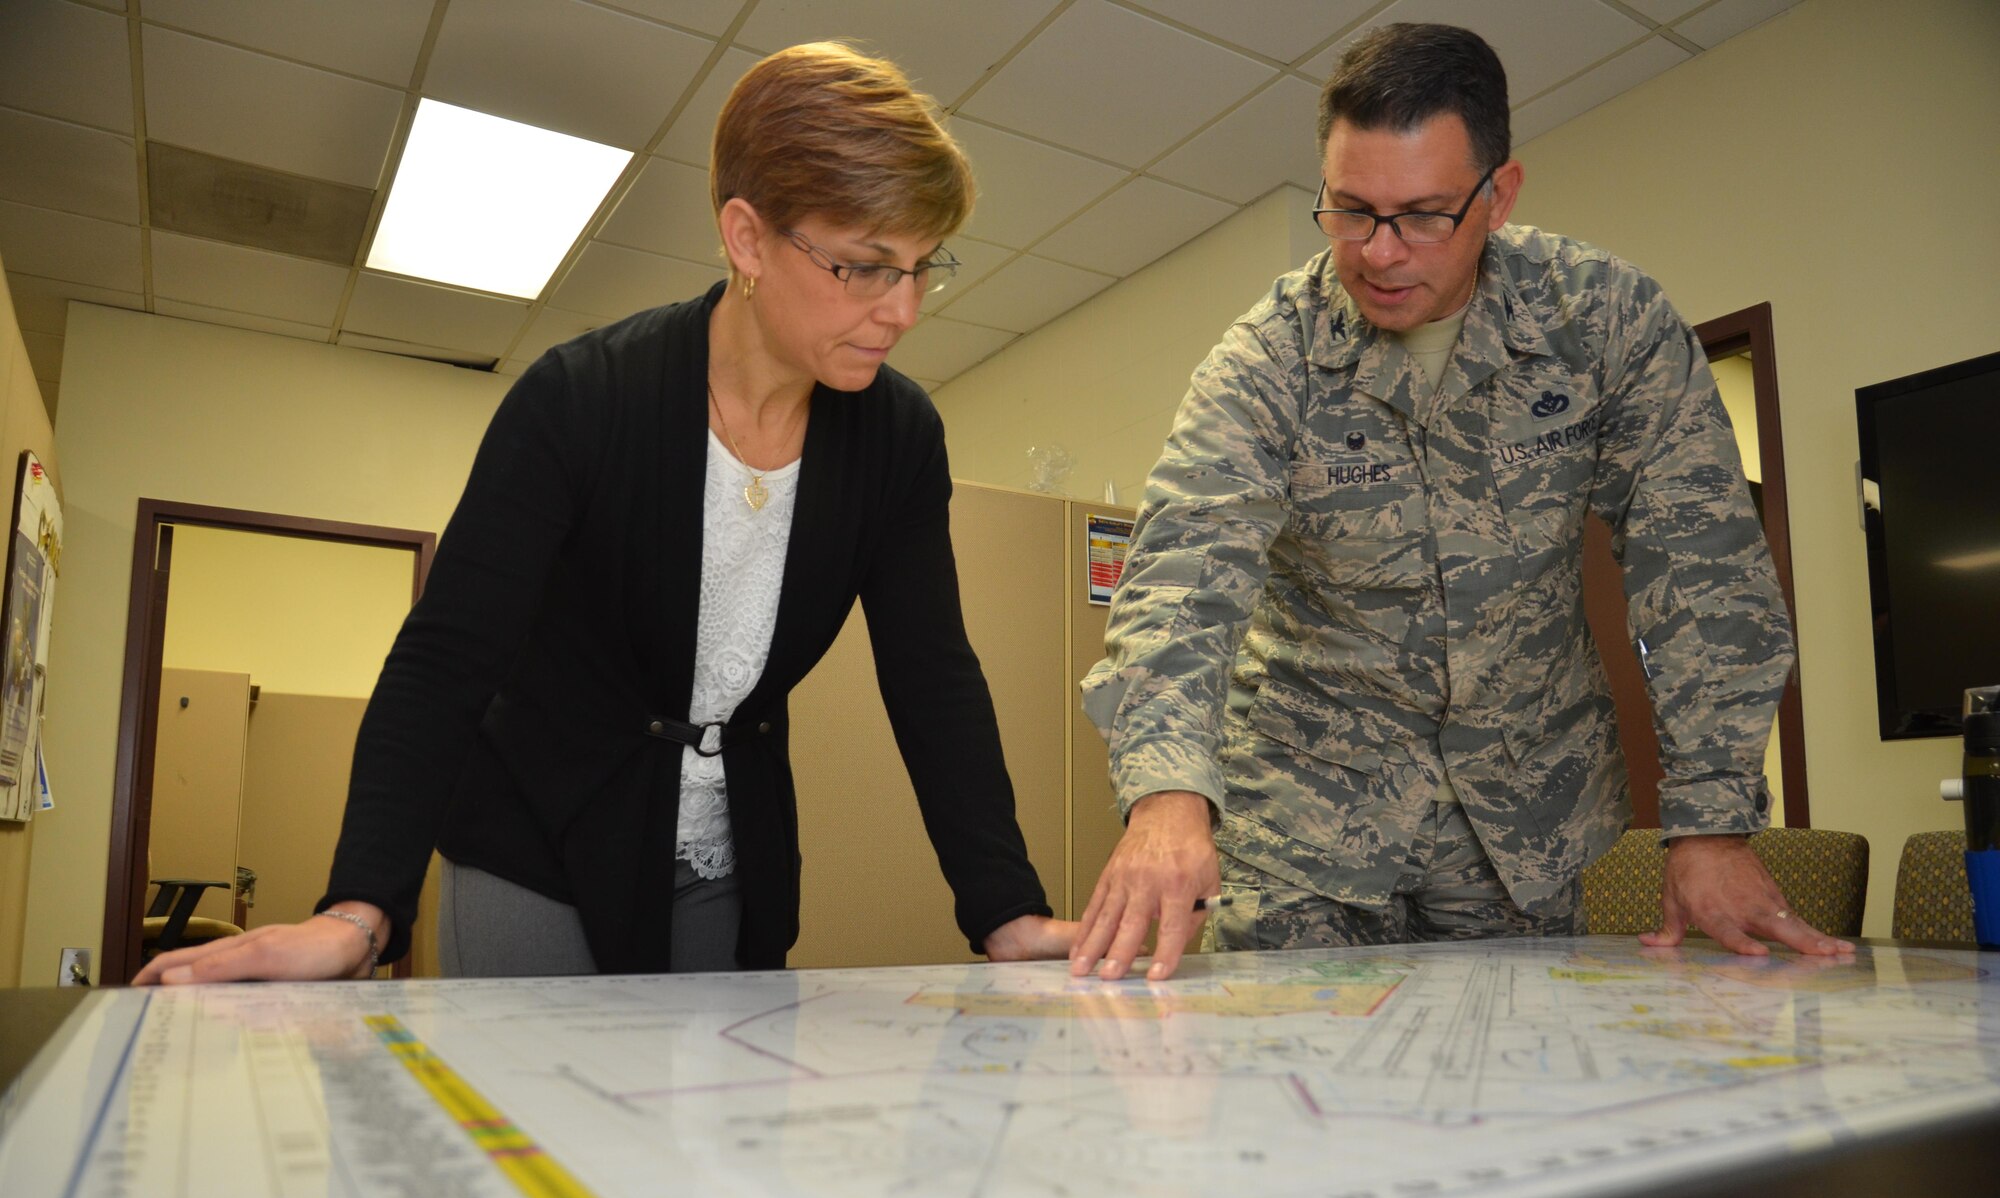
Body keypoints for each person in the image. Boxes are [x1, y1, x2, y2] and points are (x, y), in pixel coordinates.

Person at [137, 42, 1074, 986]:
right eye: (867, 267)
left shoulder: (898, 437)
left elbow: (933, 676)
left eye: (922, 267)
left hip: (725, 859)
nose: (903, 309)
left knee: (707, 1130)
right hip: (534, 844)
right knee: (527, 1127)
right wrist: (358, 910)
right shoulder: (580, 400)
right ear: (748, 239)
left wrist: (1005, 908)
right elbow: (447, 659)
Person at [1071, 22, 1852, 982]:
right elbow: (1184, 579)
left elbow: (1699, 559)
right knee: (1294, 1110)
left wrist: (1712, 819)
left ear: (1499, 194)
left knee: (1514, 1103)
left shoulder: (1603, 324)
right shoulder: (1267, 360)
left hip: (1526, 822)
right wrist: (1166, 793)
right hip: (1307, 828)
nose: (1380, 252)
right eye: (1350, 209)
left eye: (1424, 214)